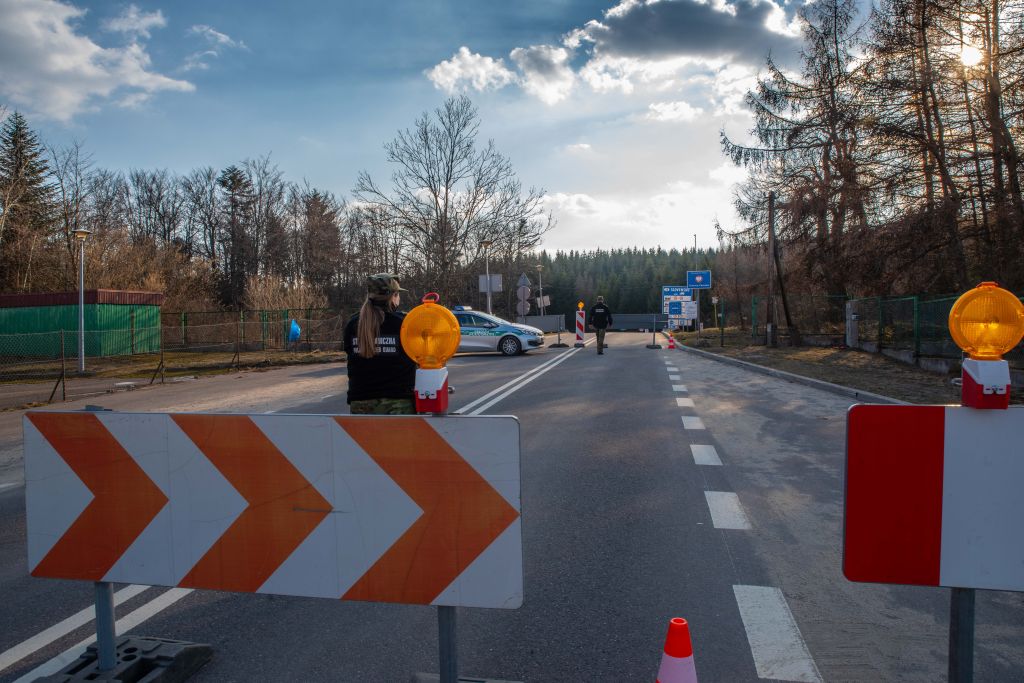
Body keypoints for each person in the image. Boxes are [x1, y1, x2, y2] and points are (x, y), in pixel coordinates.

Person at [344, 273, 417, 414]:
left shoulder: (353, 324)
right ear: (393, 296)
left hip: (360, 402)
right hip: (398, 403)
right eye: (398, 294)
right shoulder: (405, 323)